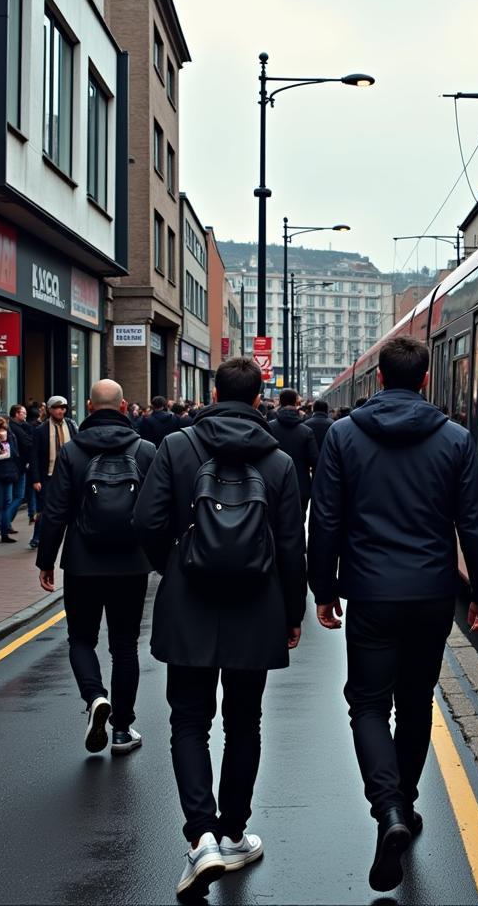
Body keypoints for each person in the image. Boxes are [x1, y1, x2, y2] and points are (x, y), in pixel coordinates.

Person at [309, 335, 478, 893]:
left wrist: (324, 587)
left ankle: (388, 808)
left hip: (370, 593)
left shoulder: (344, 436)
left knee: (366, 702)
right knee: (416, 702)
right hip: (432, 594)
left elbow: (326, 519)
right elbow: (475, 524)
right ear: (424, 380)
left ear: (381, 380)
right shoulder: (456, 439)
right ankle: (405, 805)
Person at [133, 356, 307, 901]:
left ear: (212, 391)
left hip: (190, 603)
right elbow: (289, 546)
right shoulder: (277, 461)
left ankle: (200, 835)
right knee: (244, 721)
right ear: (260, 398)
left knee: (188, 720)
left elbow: (146, 520)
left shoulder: (176, 447)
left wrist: (176, 565)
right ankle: (233, 831)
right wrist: (293, 612)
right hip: (256, 608)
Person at [35, 380, 157, 755]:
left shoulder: (72, 452)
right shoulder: (145, 450)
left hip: (83, 562)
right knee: (124, 646)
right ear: (124, 408)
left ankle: (94, 697)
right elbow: (157, 512)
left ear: (88, 406)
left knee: (82, 639)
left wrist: (47, 561)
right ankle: (122, 731)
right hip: (130, 565)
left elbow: (55, 511)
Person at [30, 395, 78, 550]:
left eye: (63, 408)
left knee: (71, 506)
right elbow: (35, 456)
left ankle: (72, 536)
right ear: (50, 410)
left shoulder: (71, 425)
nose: (61, 411)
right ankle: (38, 537)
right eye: (57, 408)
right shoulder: (40, 430)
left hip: (69, 474)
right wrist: (36, 479)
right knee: (44, 509)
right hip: (48, 476)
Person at [268, 389, 318, 515]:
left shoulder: (269, 428)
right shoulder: (306, 432)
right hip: (301, 487)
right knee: (298, 524)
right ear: (296, 403)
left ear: (280, 401)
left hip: (272, 486)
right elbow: (315, 461)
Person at [8, 404, 34, 531]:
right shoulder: (16, 428)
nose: (25, 414)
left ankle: (6, 523)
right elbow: (28, 443)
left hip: (16, 466)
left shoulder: (17, 426)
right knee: (18, 496)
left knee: (14, 497)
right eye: (23, 412)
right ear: (17, 414)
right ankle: (5, 521)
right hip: (19, 466)